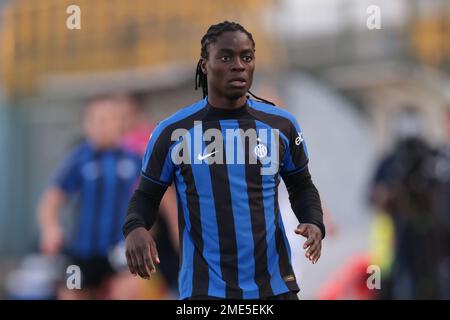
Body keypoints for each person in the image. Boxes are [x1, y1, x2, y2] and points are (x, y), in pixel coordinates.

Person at [122, 21, 325, 300]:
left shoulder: (282, 126)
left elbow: (301, 185)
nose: (239, 65)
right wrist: (135, 227)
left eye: (247, 57)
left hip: (274, 286)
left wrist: (314, 221)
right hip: (205, 290)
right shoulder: (173, 132)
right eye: (226, 57)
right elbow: (146, 194)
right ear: (204, 65)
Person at [37, 95, 142, 299]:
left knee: (130, 287)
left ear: (120, 122)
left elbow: (162, 197)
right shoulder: (78, 159)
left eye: (108, 119)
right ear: (87, 125)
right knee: (70, 292)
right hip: (80, 251)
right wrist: (50, 229)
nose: (102, 125)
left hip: (118, 249)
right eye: (96, 120)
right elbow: (51, 200)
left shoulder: (134, 158)